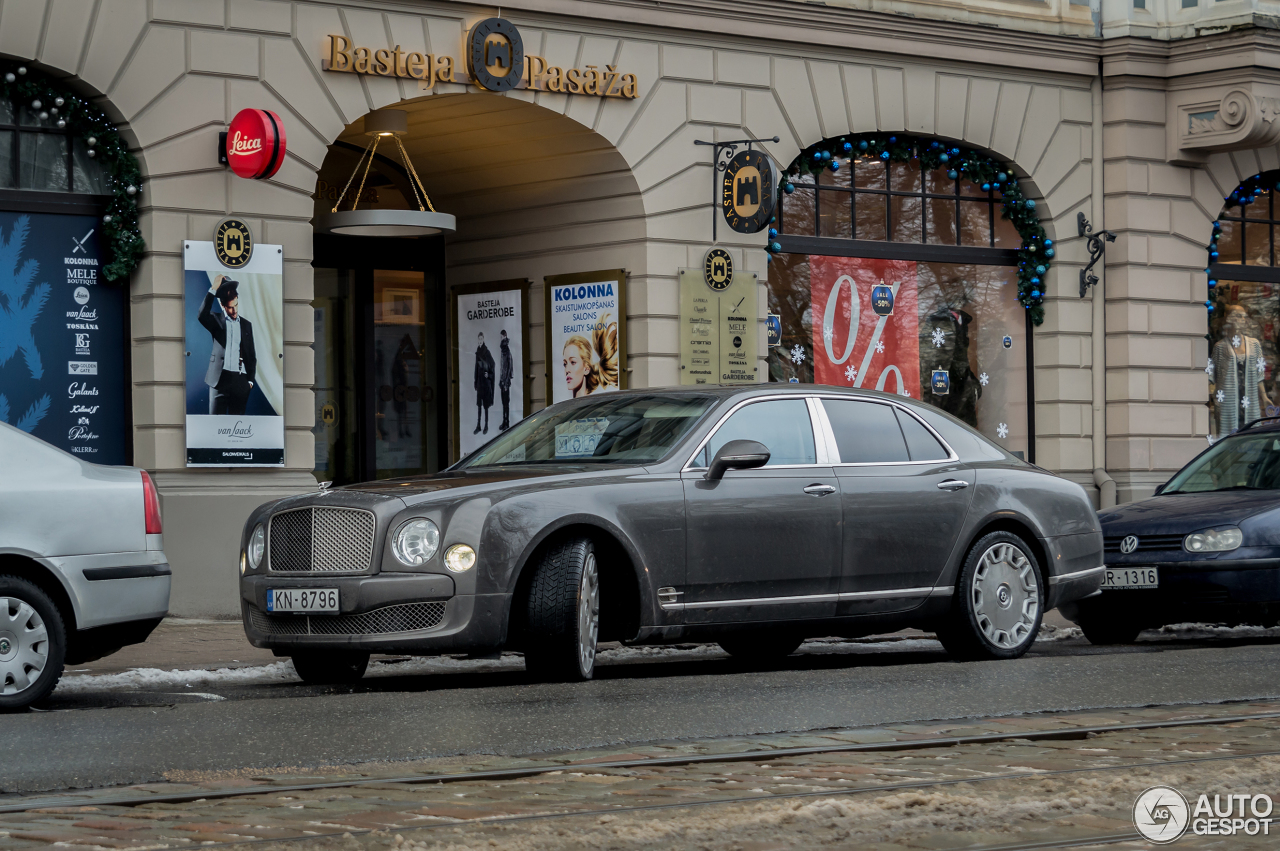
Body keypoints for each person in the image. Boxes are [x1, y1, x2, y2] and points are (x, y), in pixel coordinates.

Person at [1211, 304, 1272, 436]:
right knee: (1228, 437)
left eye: (1244, 317)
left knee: (1251, 435)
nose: (1242, 320)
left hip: (1249, 400)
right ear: (1229, 319)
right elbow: (1214, 377)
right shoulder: (1220, 347)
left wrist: (1264, 397)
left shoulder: (1254, 344)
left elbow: (1259, 374)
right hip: (1228, 402)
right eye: (1238, 316)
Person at [199, 275, 256, 415]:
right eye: (231, 308)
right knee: (215, 425)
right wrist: (213, 289)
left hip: (240, 382)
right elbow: (201, 315)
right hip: (219, 380)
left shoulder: (246, 325)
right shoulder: (215, 321)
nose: (235, 310)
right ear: (223, 305)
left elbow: (251, 354)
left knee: (237, 424)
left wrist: (250, 381)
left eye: (236, 305)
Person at [562, 314, 619, 399]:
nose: (567, 370)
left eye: (573, 362)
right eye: (565, 364)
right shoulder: (561, 407)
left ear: (586, 368)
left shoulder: (596, 404)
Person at [473, 331, 495, 435]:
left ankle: (486, 425)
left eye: (481, 339)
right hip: (480, 383)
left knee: (485, 406)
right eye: (479, 339)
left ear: (483, 339)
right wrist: (475, 381)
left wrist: (489, 375)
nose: (480, 341)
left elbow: (492, 365)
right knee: (479, 405)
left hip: (486, 384)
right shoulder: (477, 352)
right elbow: (476, 368)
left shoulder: (487, 352)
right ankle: (478, 425)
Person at [498, 329, 514, 431]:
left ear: (504, 337)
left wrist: (505, 381)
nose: (501, 339)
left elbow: (509, 368)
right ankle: (505, 421)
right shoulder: (503, 350)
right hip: (503, 381)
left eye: (502, 337)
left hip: (506, 382)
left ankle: (506, 421)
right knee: (504, 402)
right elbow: (502, 367)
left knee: (506, 402)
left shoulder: (506, 351)